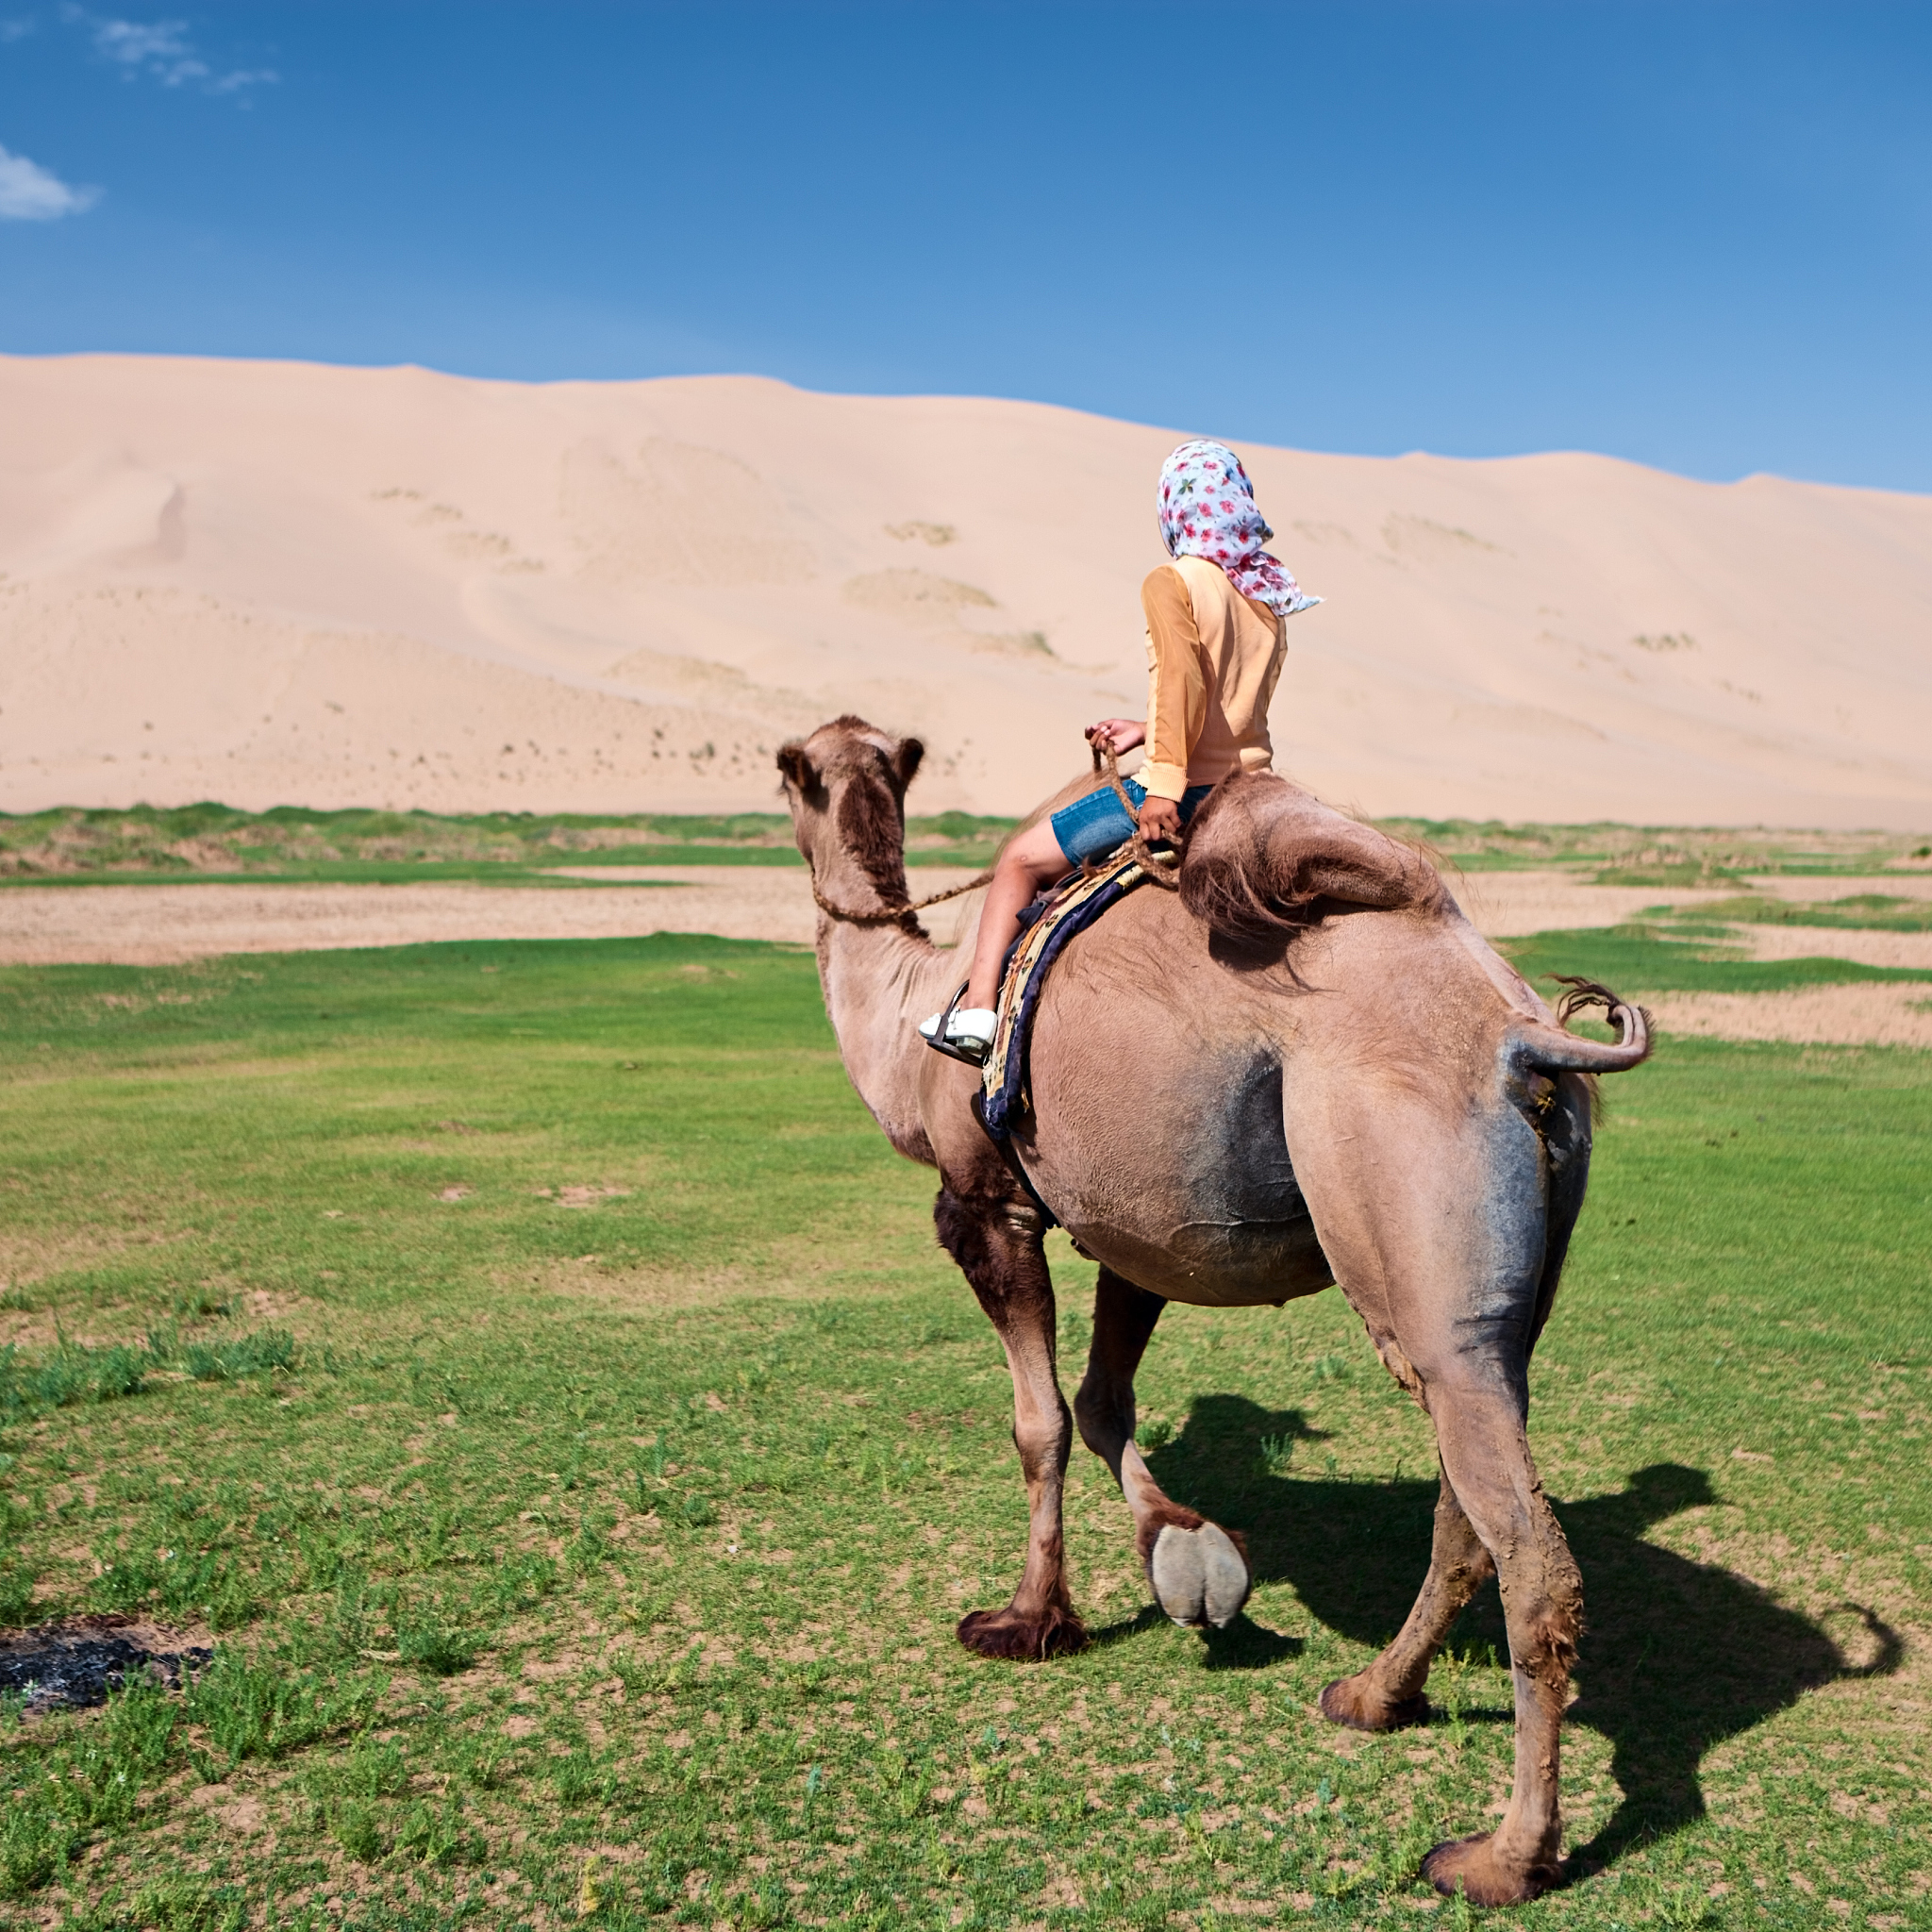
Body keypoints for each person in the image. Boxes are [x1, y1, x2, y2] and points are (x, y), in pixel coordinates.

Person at [921, 439, 1321, 1062]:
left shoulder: (1175, 581)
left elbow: (1182, 681)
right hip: (1258, 787)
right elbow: (1234, 699)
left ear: (1176, 508)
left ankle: (975, 1014)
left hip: (1190, 790)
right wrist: (1146, 725)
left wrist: (1162, 783)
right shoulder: (1265, 597)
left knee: (1020, 863)